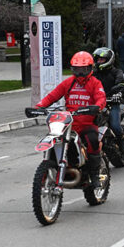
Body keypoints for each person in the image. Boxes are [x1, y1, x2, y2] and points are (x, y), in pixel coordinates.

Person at [34, 52, 107, 187]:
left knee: (92, 141)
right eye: (76, 69)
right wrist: (39, 106)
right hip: (68, 124)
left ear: (90, 68)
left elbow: (101, 98)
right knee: (54, 139)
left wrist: (97, 107)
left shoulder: (95, 83)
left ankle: (95, 174)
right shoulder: (68, 82)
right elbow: (52, 96)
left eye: (83, 69)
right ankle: (50, 169)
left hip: (86, 123)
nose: (79, 73)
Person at [92, 47, 124, 154]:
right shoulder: (93, 74)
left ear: (109, 60)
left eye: (102, 59)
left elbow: (122, 84)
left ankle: (122, 144)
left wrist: (118, 93)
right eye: (97, 59)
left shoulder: (116, 72)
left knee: (115, 126)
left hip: (112, 103)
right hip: (97, 104)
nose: (99, 62)